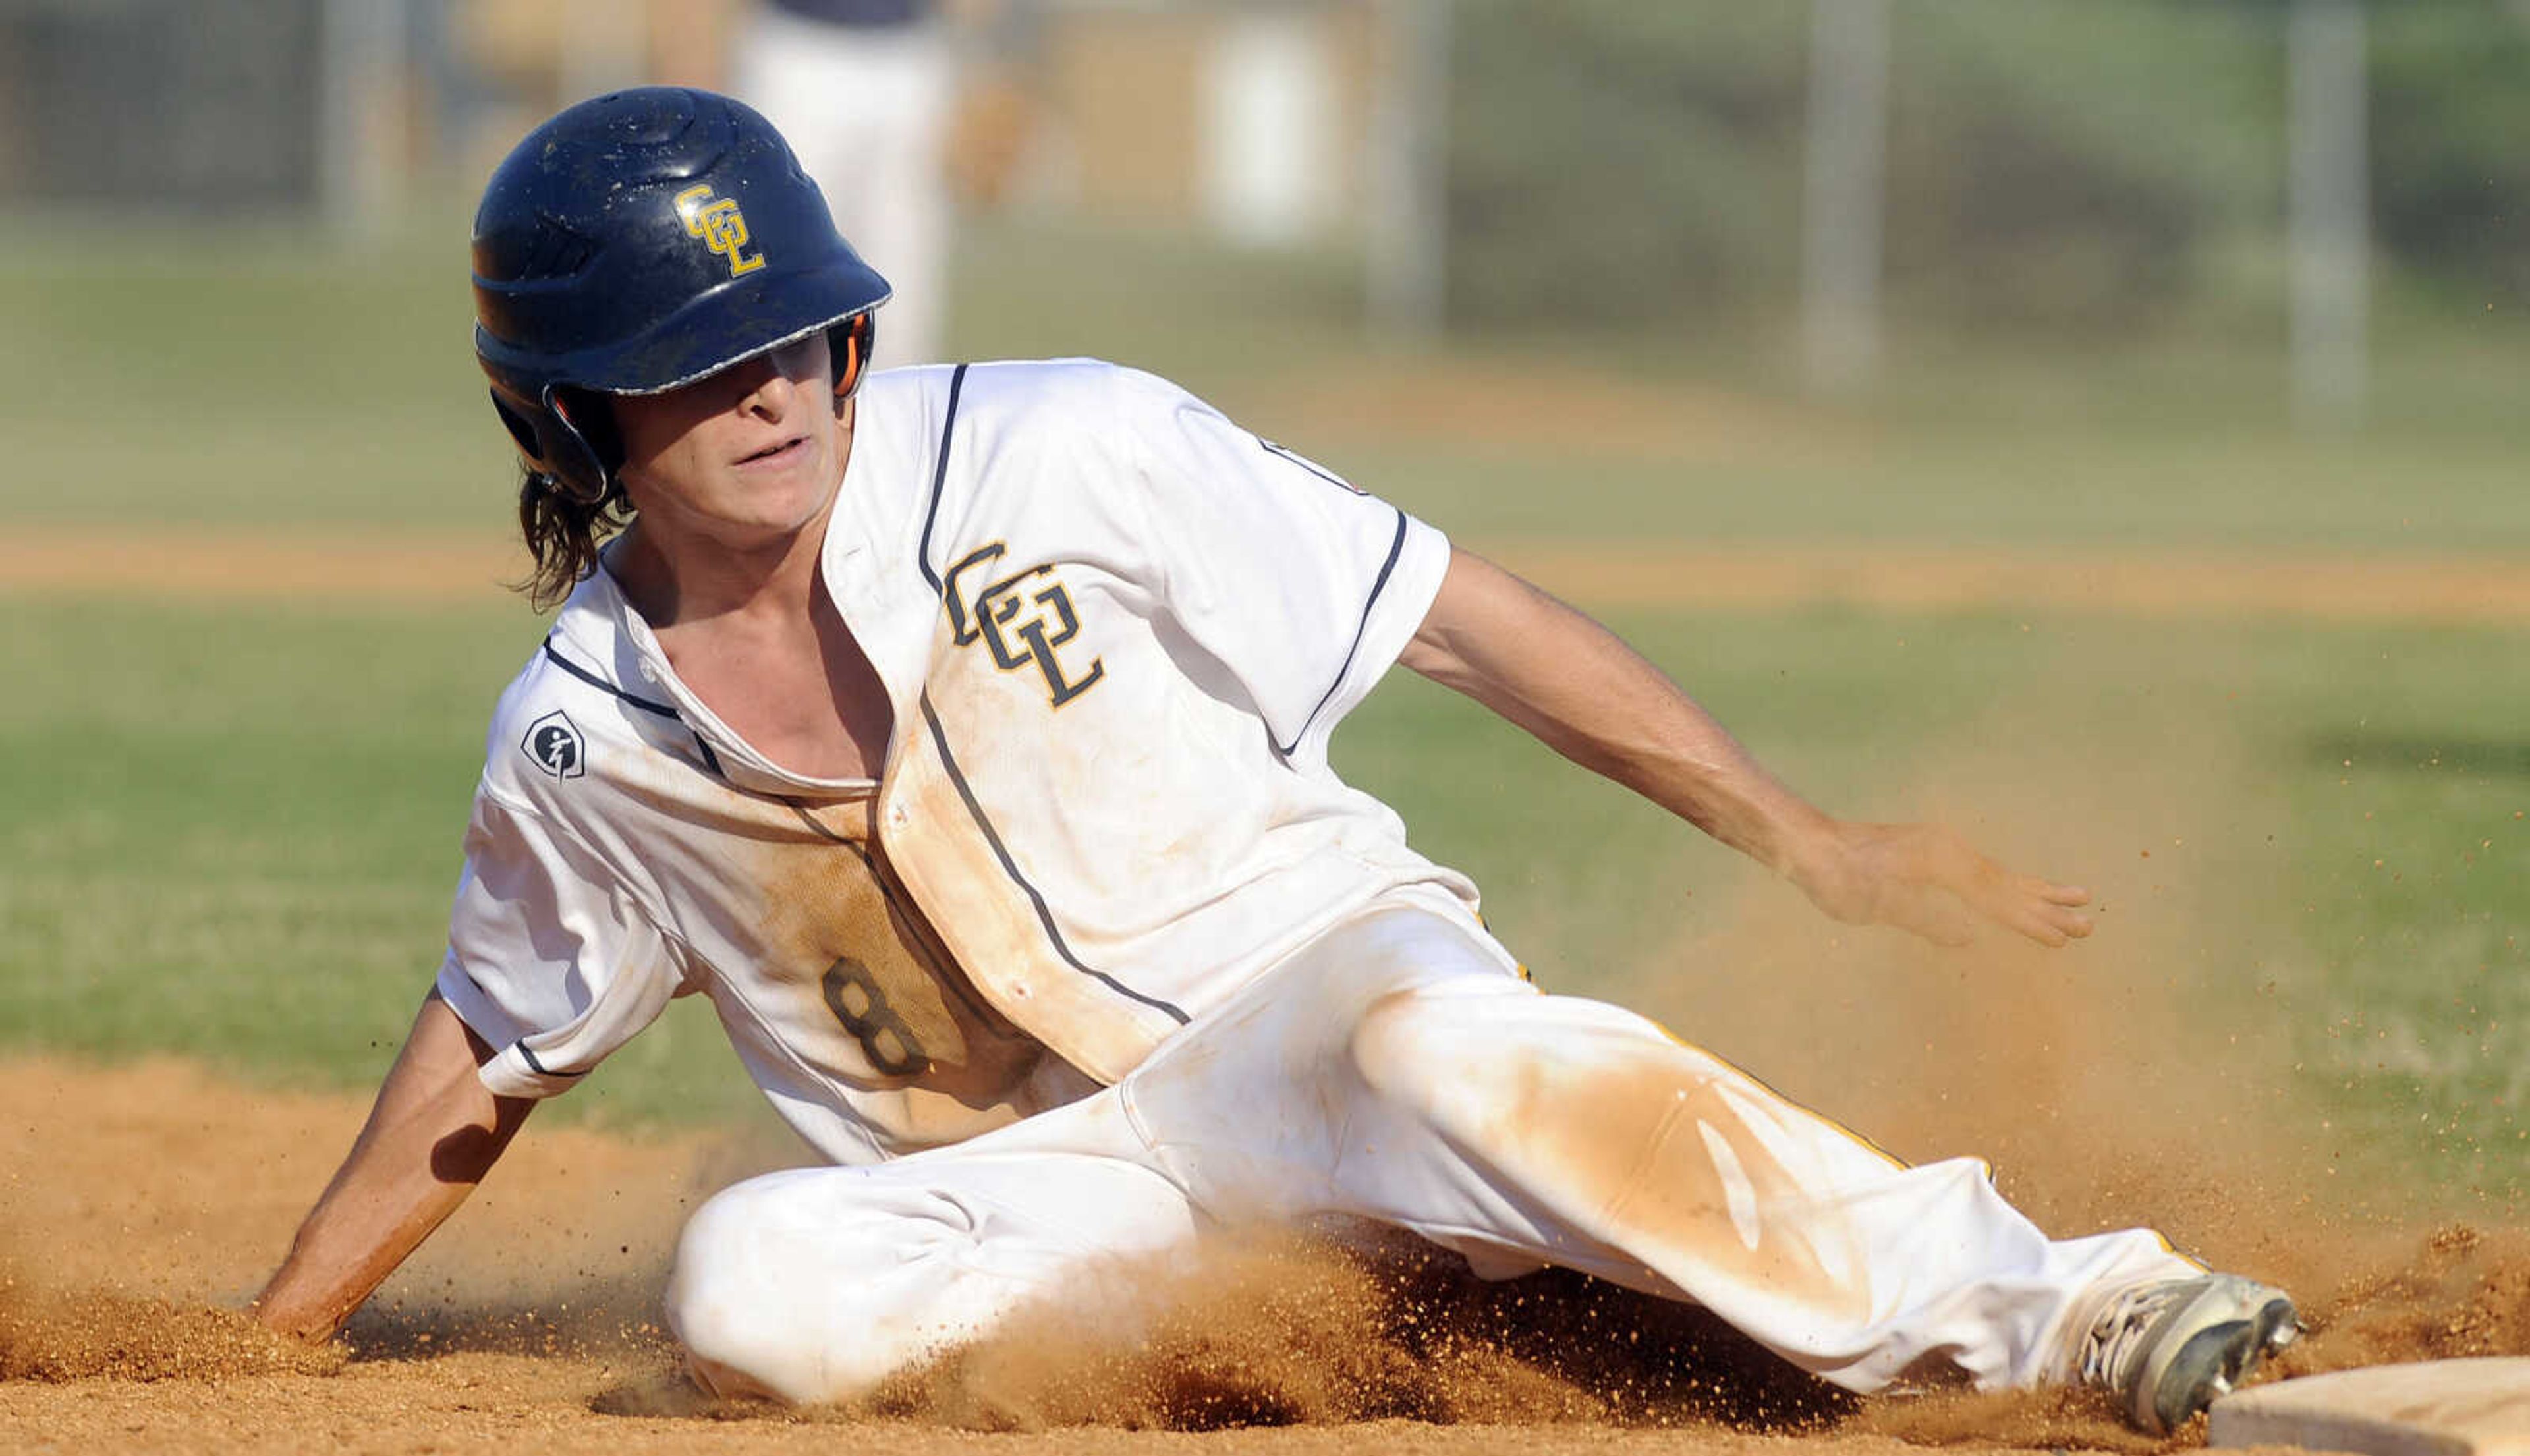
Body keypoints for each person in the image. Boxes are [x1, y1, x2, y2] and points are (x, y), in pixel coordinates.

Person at [250, 88, 2297, 1436]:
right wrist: (269, 1339)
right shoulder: (586, 732)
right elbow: (493, 1038)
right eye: (697, 362)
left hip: (1307, 996)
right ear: (571, 416)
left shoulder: (1063, 443)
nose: (770, 389)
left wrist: (1804, 839)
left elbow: (1458, 613)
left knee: (1449, 1060)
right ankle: (1376, 1314)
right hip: (1055, 1198)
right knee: (750, 1280)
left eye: (793, 332)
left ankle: (2074, 1306)